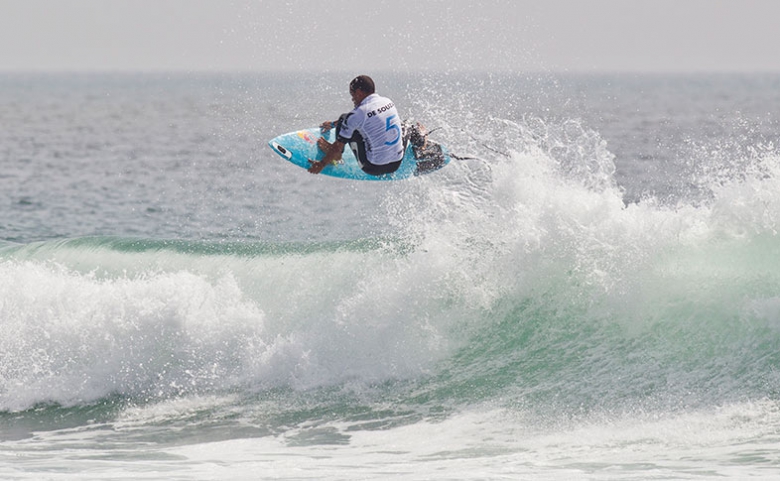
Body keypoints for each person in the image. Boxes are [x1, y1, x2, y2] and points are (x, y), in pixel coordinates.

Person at [308, 75, 405, 176]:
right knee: (404, 125)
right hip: (396, 163)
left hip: (373, 167)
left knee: (344, 118)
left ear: (359, 92)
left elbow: (352, 121)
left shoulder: (358, 113)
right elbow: (365, 119)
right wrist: (333, 124)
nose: (352, 99)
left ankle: (337, 155)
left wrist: (321, 164)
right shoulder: (388, 102)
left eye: (352, 94)